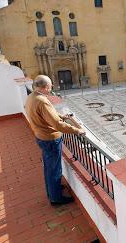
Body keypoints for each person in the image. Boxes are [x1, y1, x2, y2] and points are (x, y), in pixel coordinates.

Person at [25, 75, 85, 206]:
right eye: (51, 86)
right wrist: (77, 130)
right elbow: (57, 124)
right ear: (46, 87)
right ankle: (56, 198)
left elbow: (47, 114)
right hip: (50, 139)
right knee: (54, 169)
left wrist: (61, 115)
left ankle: (52, 190)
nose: (51, 88)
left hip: (41, 136)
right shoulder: (42, 101)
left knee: (48, 167)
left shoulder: (32, 97)